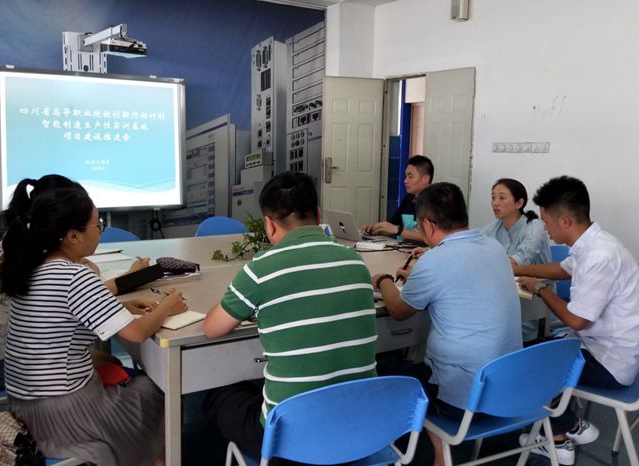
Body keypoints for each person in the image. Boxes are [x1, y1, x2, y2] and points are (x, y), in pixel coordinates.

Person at [0, 187, 187, 466]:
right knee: (157, 391)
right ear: (73, 236)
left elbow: (63, 318)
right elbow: (136, 333)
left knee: (113, 366)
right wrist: (168, 305)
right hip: (64, 415)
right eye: (98, 225)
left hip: (25, 405)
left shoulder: (33, 268)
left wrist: (121, 307)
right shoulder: (75, 275)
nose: (101, 232)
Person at [201, 171, 377, 460]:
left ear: (269, 225)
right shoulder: (356, 262)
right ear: (318, 214)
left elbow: (212, 328)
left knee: (217, 396)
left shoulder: (261, 269)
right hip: (358, 427)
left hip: (289, 437)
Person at [372, 182, 522, 466]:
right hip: (510, 390)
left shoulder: (436, 260)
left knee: (379, 373)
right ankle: (443, 450)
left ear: (428, 226)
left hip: (462, 399)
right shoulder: (494, 248)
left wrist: (383, 281)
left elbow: (399, 310)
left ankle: (432, 452)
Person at [515, 175, 639, 466]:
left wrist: (540, 289)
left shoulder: (599, 256)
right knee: (536, 349)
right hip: (604, 347)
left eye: (546, 222)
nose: (544, 228)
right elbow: (563, 269)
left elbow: (577, 321)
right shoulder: (592, 243)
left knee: (528, 362)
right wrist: (519, 270)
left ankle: (559, 441)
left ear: (564, 221)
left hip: (612, 364)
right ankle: (572, 426)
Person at [0, 175, 150, 391]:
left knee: (107, 360)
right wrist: (131, 277)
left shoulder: (24, 241)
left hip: (18, 357)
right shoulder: (35, 255)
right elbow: (85, 295)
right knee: (113, 364)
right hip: (5, 365)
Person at [481, 178, 552, 341]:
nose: (495, 203)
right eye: (493, 197)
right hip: (504, 294)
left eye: (501, 197)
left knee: (490, 331)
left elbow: (516, 263)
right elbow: (470, 247)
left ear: (519, 203)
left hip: (534, 299)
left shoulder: (535, 226)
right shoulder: (494, 228)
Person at [362, 155, 433, 243]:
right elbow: (391, 228)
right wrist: (375, 230)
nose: (405, 181)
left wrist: (398, 230)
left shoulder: (437, 203)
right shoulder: (408, 199)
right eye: (406, 176)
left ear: (425, 179)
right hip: (402, 248)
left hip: (423, 251)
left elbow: (434, 237)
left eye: (410, 177)